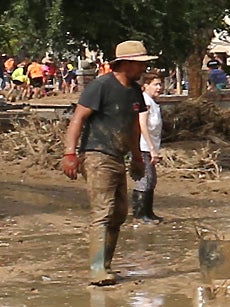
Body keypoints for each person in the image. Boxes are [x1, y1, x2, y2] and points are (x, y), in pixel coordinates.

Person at [60, 41, 157, 283]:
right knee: (103, 211)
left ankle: (106, 265)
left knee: (119, 213)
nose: (143, 68)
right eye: (140, 63)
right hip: (96, 154)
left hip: (117, 156)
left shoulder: (134, 91)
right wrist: (70, 153)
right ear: (125, 64)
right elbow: (78, 119)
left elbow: (133, 125)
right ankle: (96, 269)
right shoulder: (101, 86)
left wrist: (136, 156)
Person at [135, 86, 166, 222]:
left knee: (151, 180)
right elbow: (142, 125)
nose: (159, 87)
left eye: (161, 84)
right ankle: (140, 214)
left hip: (152, 146)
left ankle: (149, 212)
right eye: (156, 84)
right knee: (145, 179)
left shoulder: (153, 102)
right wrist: (151, 147)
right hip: (144, 146)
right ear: (146, 85)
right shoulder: (145, 102)